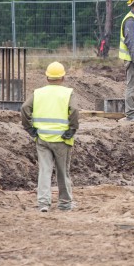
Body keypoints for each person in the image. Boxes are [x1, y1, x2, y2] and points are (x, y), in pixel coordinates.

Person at [21, 61, 80, 212]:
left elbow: (24, 108)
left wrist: (30, 128)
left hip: (42, 138)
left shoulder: (38, 93)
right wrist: (72, 129)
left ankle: (43, 203)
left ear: (47, 77)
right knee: (63, 172)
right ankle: (65, 204)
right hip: (62, 139)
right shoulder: (68, 93)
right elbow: (74, 111)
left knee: (44, 171)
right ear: (63, 77)